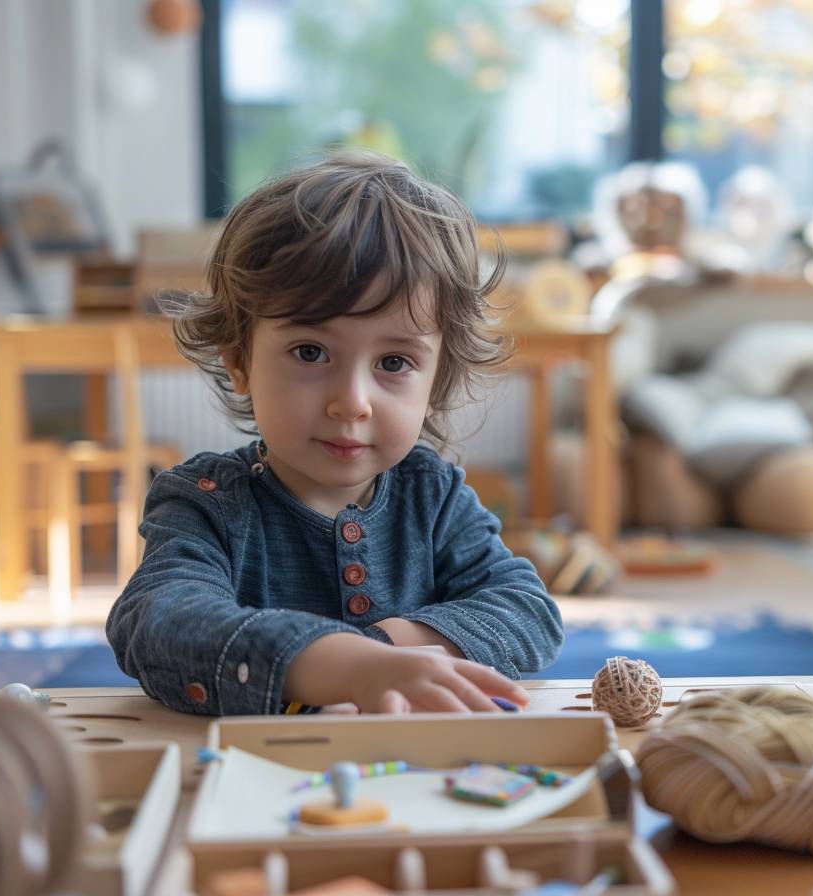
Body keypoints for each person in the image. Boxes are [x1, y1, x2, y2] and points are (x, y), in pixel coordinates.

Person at [106, 150, 563, 716]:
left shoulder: (433, 496)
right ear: (240, 360)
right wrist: (344, 667)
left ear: (436, 378)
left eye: (394, 363)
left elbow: (527, 611)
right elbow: (157, 623)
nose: (351, 402)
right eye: (310, 352)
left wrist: (387, 650)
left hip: (412, 783)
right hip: (257, 781)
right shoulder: (205, 502)